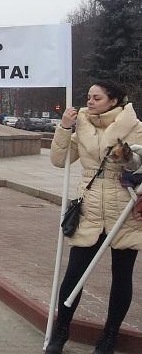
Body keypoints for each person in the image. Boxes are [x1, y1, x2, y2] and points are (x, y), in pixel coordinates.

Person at [45, 80, 142, 354]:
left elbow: (140, 164)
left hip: (123, 209)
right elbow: (58, 159)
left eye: (96, 98)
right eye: (89, 97)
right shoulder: (82, 125)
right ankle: (60, 333)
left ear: (113, 101)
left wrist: (130, 160)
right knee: (74, 274)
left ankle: (109, 337)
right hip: (88, 208)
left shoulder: (135, 127)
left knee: (121, 277)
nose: (90, 102)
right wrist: (64, 127)